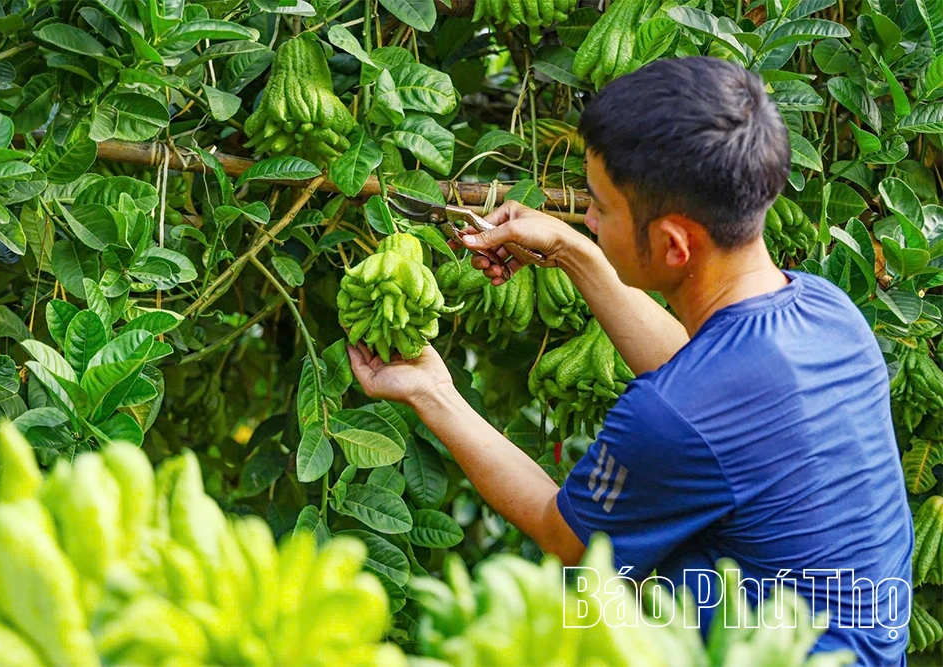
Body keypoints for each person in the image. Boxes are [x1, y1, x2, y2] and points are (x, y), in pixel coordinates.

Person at [344, 56, 913, 664]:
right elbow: (701, 379)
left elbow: (565, 535)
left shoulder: (671, 417)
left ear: (672, 243)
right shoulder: (828, 312)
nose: (585, 218)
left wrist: (433, 392)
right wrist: (572, 251)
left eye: (600, 209)